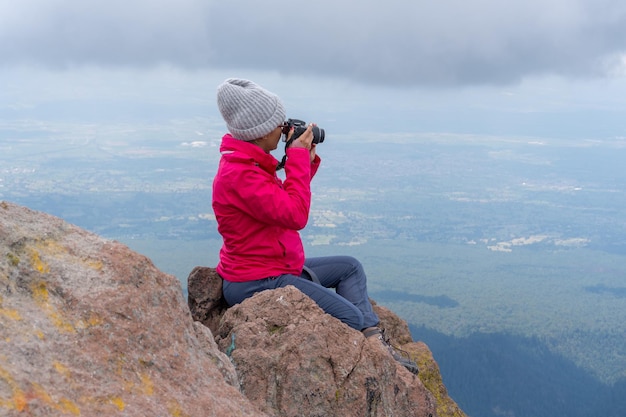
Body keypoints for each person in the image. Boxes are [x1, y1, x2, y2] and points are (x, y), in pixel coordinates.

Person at [212, 78, 418, 374]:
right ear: (260, 131)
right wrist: (294, 157)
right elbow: (296, 215)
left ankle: (374, 344)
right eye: (278, 123)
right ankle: (367, 339)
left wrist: (303, 163)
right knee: (351, 318)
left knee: (350, 267)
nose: (284, 129)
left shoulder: (250, 165)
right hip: (257, 280)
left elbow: (281, 206)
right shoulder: (239, 175)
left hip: (275, 266)